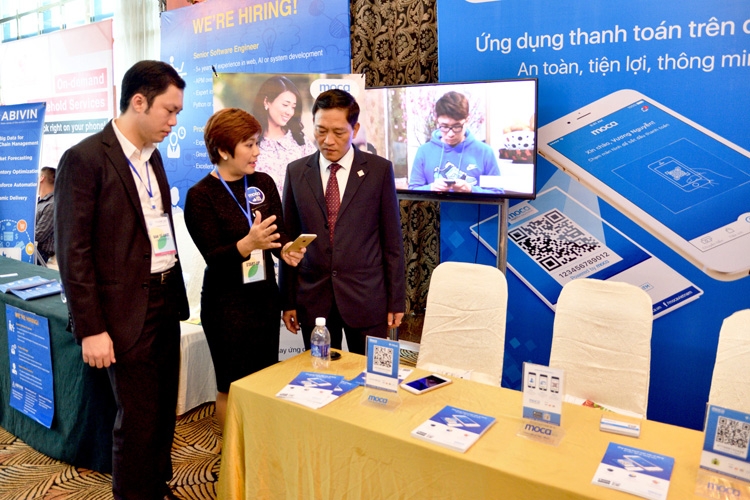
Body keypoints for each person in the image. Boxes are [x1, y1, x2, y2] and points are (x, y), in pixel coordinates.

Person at [54, 60, 189, 500]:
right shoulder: (85, 158)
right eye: (169, 110)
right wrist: (91, 328)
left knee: (162, 408)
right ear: (139, 101)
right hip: (123, 312)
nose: (174, 121)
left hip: (164, 300)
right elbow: (73, 252)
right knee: (136, 417)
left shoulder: (153, 156)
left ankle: (155, 486)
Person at [183, 108, 305, 429]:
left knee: (263, 379)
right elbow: (214, 258)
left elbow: (277, 236)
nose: (257, 152)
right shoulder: (200, 196)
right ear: (223, 150)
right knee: (231, 385)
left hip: (263, 299)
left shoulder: (263, 182)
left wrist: (287, 250)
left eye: (257, 143)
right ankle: (232, 453)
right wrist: (247, 244)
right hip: (226, 306)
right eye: (249, 145)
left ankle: (259, 444)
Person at [280, 89, 406, 355]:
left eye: (338, 132)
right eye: (320, 130)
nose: (328, 141)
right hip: (314, 299)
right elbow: (289, 241)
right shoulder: (296, 172)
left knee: (371, 374)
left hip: (367, 298)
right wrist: (287, 300)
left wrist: (396, 300)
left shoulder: (379, 171)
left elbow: (392, 242)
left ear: (355, 129)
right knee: (321, 374)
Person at [408, 91, 501, 193]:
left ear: (467, 120)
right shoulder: (424, 151)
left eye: (457, 126)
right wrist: (431, 188)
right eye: (444, 126)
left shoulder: (484, 152)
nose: (450, 134)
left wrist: (471, 190)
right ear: (437, 121)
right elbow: (413, 190)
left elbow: (497, 192)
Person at [252, 75, 317, 195]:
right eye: (285, 105)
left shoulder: (300, 141)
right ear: (266, 101)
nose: (290, 112)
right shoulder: (251, 141)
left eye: (293, 107)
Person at [34, 166, 55, 265]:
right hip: (32, 251)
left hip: (38, 255)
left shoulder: (52, 204)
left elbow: (38, 235)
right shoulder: (40, 202)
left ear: (42, 178)